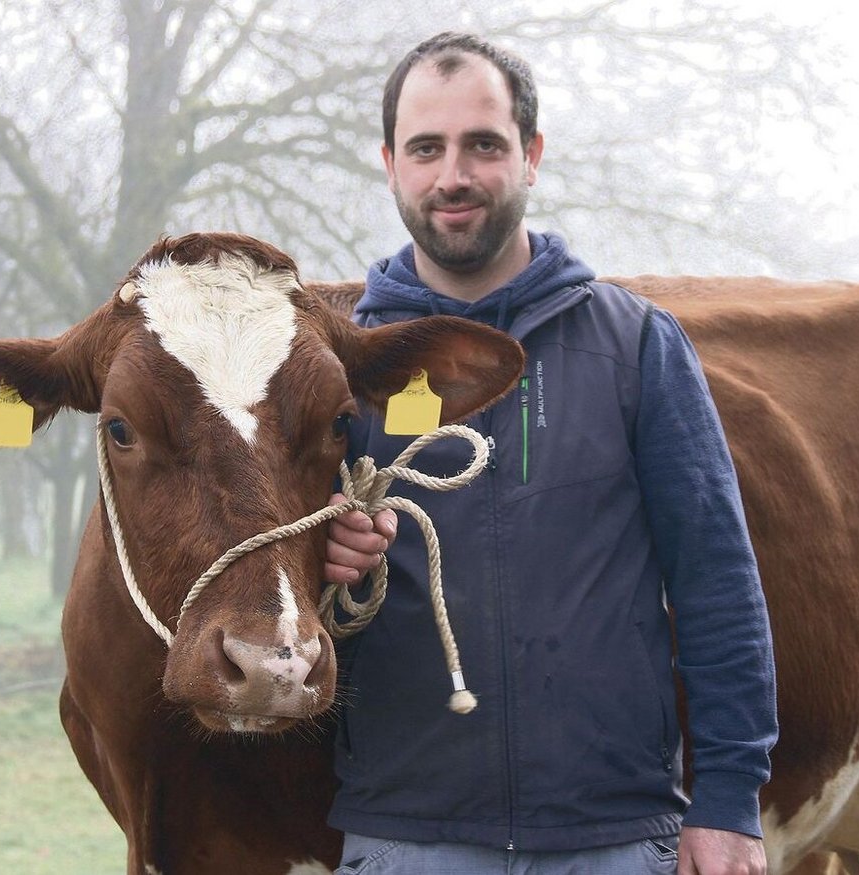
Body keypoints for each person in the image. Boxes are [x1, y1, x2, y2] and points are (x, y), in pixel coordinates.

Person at [322, 32, 778, 875]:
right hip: (409, 837)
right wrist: (327, 559)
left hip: (613, 836)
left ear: (530, 155)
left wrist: (728, 799)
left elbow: (718, 583)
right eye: (427, 148)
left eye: (483, 145)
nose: (452, 175)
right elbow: (281, 589)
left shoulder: (636, 344)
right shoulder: (338, 367)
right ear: (391, 164)